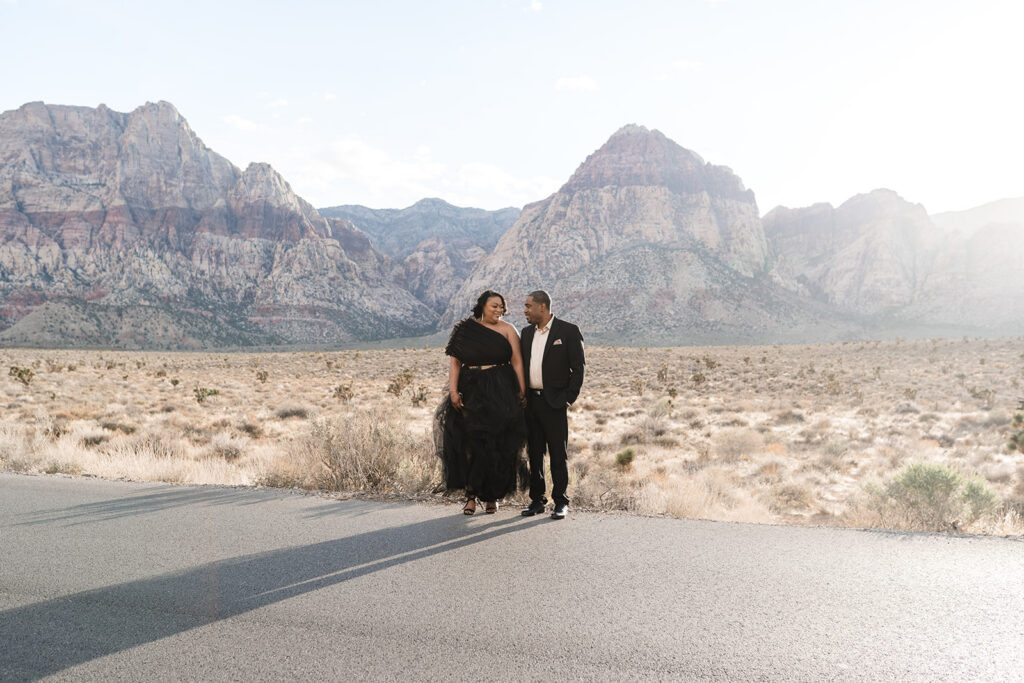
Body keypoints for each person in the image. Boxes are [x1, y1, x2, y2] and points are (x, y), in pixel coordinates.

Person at [436, 290, 528, 514]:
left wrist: (521, 390)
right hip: (471, 390)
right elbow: (455, 363)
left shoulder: (508, 329)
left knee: (497, 444)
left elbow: (517, 361)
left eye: (501, 307)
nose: (499, 310)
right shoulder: (464, 330)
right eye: (494, 306)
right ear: (482, 306)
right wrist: (454, 391)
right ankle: (470, 496)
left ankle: (492, 496)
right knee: (469, 445)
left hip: (501, 390)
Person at [519, 290, 585, 520]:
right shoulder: (526, 333)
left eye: (528, 306)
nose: (525, 311)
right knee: (534, 454)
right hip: (531, 403)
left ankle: (561, 501)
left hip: (554, 403)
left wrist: (568, 398)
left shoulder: (568, 331)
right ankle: (537, 500)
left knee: (558, 454)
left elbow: (579, 368)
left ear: (542, 306)